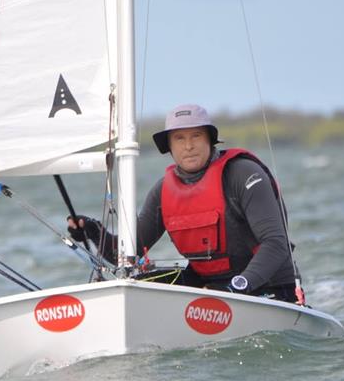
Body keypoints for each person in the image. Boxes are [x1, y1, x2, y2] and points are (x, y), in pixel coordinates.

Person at [68, 104, 301, 303]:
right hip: (209, 288)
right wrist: (91, 230)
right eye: (179, 138)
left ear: (210, 140)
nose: (188, 146)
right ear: (169, 146)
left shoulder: (243, 174)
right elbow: (130, 251)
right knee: (134, 286)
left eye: (196, 136)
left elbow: (276, 244)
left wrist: (235, 288)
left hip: (266, 288)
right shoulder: (163, 191)